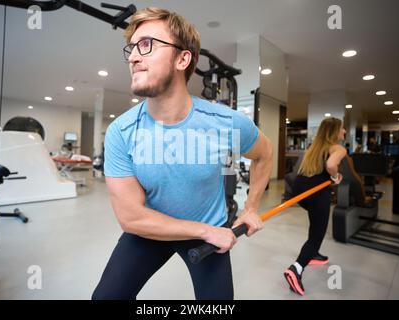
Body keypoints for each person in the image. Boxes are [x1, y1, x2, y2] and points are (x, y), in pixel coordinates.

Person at [92, 7, 273, 300]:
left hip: (209, 228)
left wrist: (251, 208)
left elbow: (264, 154)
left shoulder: (225, 122)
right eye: (132, 49)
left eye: (147, 44)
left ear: (182, 58)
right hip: (153, 228)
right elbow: (132, 218)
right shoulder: (121, 131)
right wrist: (203, 232)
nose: (134, 57)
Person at [284, 117, 346, 296]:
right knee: (318, 233)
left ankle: (314, 253)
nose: (344, 132)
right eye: (342, 129)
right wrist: (335, 177)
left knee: (315, 222)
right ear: (335, 131)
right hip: (317, 193)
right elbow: (331, 165)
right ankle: (296, 268)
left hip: (300, 190)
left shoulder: (315, 147)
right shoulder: (338, 148)